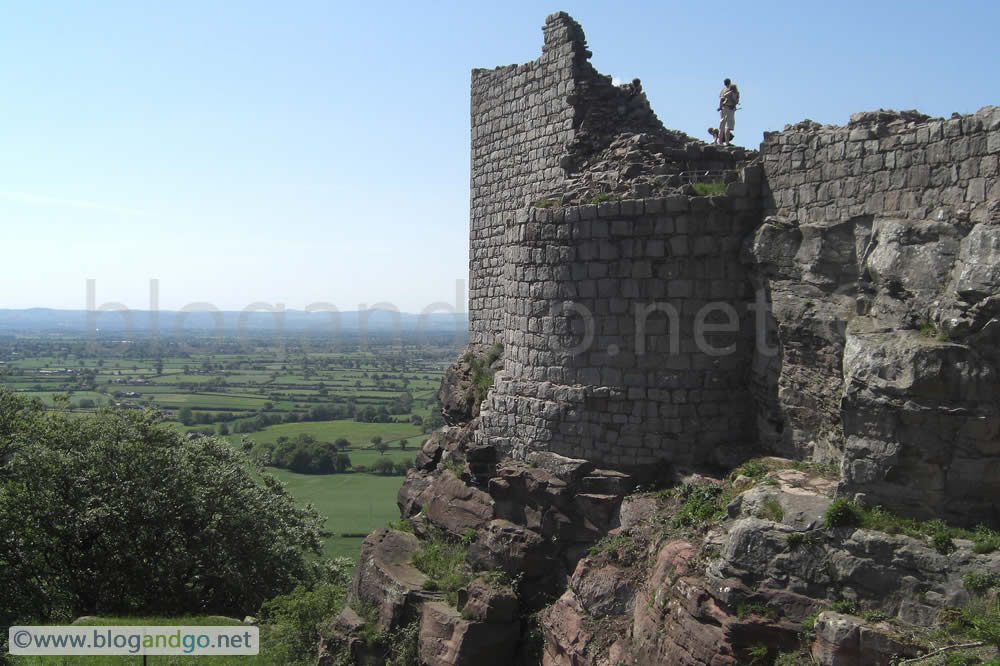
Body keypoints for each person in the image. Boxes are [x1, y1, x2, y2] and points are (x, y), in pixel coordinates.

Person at [718, 78, 739, 146]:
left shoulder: (723, 90)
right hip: (729, 108)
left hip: (723, 108)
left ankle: (720, 142)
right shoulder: (733, 91)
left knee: (722, 126)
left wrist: (720, 107)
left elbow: (721, 98)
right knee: (728, 126)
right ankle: (727, 142)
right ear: (730, 82)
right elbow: (736, 101)